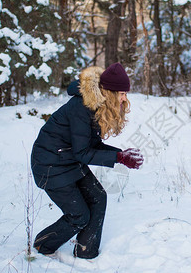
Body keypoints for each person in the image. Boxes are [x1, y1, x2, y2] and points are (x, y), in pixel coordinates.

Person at [31, 63, 144, 259]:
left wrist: (122, 155)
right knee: (79, 216)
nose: (124, 98)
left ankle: (86, 252)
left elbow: (90, 145)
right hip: (50, 164)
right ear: (109, 92)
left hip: (68, 159)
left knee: (98, 197)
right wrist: (119, 157)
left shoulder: (95, 105)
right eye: (121, 93)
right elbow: (83, 152)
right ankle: (43, 244)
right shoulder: (81, 107)